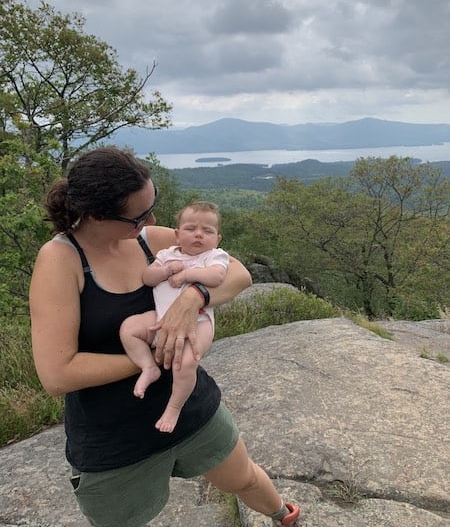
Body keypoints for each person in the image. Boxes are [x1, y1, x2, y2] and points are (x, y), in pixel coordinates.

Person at [30, 147, 301, 527]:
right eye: (139, 215)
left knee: (244, 478)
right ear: (95, 215)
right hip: (115, 441)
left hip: (192, 408)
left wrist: (195, 297)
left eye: (153, 205)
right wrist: (156, 356)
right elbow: (58, 373)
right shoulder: (62, 260)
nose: (153, 219)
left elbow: (238, 274)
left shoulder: (149, 240)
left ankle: (283, 517)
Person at [119, 200, 229, 433]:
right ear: (177, 235)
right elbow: (148, 277)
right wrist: (166, 270)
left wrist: (187, 274)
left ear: (217, 239)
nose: (198, 235)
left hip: (198, 323)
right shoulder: (167, 254)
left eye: (207, 231)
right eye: (191, 229)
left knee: (186, 362)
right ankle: (149, 367)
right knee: (129, 328)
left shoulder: (214, 256)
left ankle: (174, 406)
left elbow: (217, 277)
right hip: (160, 318)